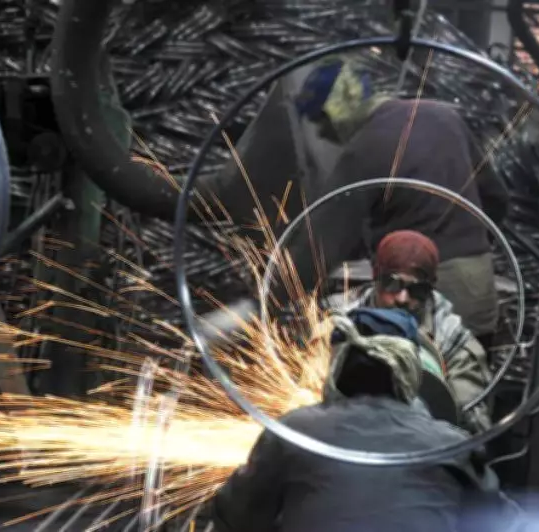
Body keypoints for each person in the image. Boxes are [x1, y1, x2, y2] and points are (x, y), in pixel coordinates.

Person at [211, 308, 499, 532]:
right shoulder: (451, 445)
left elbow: (235, 517)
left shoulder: (293, 431)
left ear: (337, 364)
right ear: (411, 368)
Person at [287, 57, 508, 342]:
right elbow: (495, 198)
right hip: (478, 291)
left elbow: (322, 243)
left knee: (406, 366)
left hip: (420, 299)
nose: (322, 133)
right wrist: (465, 242)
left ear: (337, 110)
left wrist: (277, 292)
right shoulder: (444, 116)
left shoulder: (365, 147)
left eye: (321, 120)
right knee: (470, 365)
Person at [328, 230, 493, 433]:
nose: (402, 298)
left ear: (430, 288)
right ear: (375, 276)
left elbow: (473, 425)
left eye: (417, 290)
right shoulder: (338, 318)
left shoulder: (450, 337)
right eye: (392, 284)